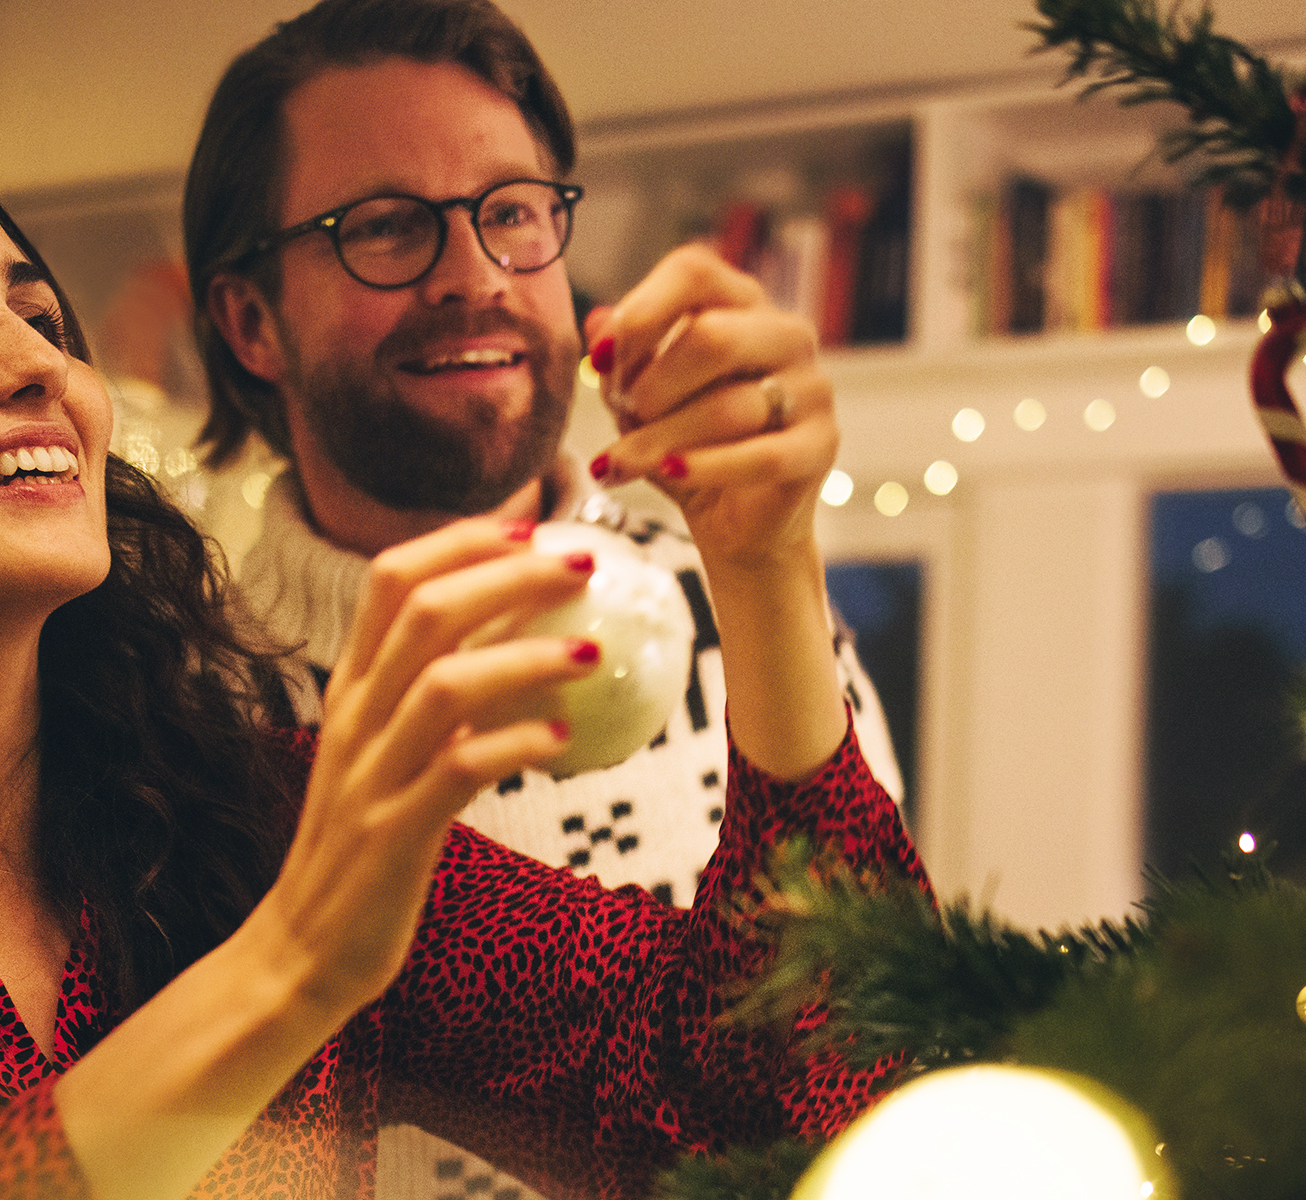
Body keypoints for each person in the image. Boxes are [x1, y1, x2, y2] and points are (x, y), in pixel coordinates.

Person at [0, 120, 920, 1199]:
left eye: (38, 313)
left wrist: (765, 558)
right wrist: (294, 970)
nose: (38, 369)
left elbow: (779, 1117)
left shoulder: (243, 818)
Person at [174, 5, 906, 1193]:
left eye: (511, 213)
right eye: (385, 229)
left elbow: (860, 1048)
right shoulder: (177, 714)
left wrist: (772, 566)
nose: (474, 279)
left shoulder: (745, 616)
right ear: (251, 320)